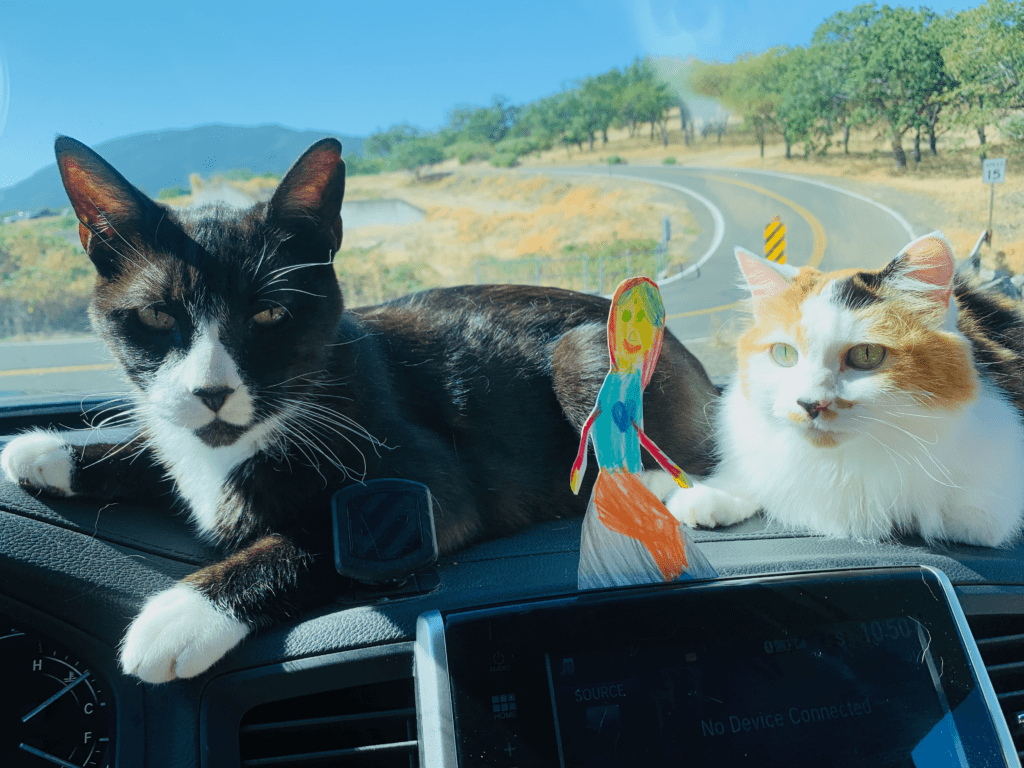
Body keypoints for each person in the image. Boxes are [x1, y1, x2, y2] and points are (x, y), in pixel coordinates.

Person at [571, 277, 717, 589]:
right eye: (627, 318)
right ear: (616, 326)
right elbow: (594, 420)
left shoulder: (630, 384)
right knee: (656, 536)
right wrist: (580, 461)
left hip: (625, 480)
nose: (634, 333)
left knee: (656, 538)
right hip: (617, 483)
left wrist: (671, 468)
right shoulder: (617, 381)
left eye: (643, 324)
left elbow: (637, 433)